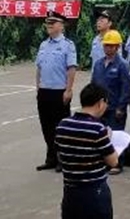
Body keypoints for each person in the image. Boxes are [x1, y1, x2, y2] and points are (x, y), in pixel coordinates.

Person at [55, 83, 119, 219]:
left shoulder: (62, 125)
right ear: (101, 103)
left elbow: (61, 156)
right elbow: (113, 161)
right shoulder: (98, 129)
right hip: (94, 192)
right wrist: (108, 140)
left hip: (70, 192)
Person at [35, 11, 78, 172]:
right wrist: (38, 86)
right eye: (48, 22)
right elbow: (39, 68)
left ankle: (63, 159)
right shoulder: (43, 44)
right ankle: (51, 158)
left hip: (59, 91)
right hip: (44, 91)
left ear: (61, 25)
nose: (50, 25)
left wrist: (69, 89)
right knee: (46, 126)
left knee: (60, 127)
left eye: (53, 22)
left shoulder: (68, 45)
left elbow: (71, 68)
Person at [90, 29, 130, 175]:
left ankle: (117, 163)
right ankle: (103, 162)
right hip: (99, 107)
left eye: (111, 45)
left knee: (116, 135)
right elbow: (93, 84)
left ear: (117, 47)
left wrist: (121, 107)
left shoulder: (123, 65)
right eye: (106, 45)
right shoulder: (98, 64)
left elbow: (126, 88)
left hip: (115, 107)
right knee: (100, 136)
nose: (108, 48)